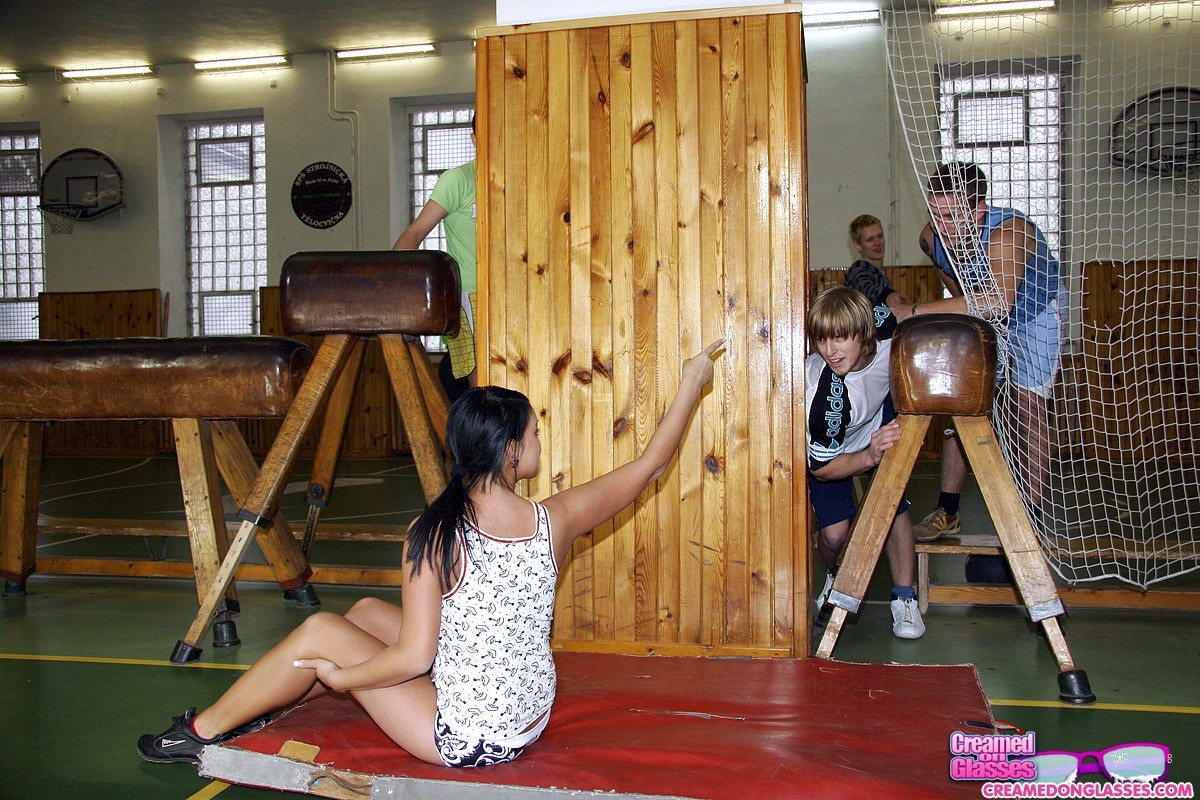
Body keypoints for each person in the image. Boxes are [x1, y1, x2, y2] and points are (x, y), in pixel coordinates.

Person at [137, 339, 724, 769]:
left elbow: (414, 659)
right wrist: (691, 381)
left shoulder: (433, 531)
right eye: (535, 434)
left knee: (319, 630)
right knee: (365, 612)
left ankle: (201, 729)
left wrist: (346, 676)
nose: (540, 443)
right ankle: (271, 701)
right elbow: (649, 467)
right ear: (511, 453)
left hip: (470, 739)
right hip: (529, 714)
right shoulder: (556, 519)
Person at [907, 162, 1063, 547]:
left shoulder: (1009, 233)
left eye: (950, 215)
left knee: (1029, 406)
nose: (941, 224)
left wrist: (913, 312)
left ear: (977, 210)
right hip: (985, 310)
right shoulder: (932, 238)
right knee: (964, 403)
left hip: (1034, 312)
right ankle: (947, 510)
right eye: (935, 213)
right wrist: (957, 303)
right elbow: (951, 275)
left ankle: (1028, 517)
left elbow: (997, 300)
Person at [806, 286, 924, 640]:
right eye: (822, 340)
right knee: (834, 533)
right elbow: (821, 469)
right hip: (836, 450)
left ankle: (905, 598)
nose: (830, 350)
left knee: (893, 503)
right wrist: (870, 455)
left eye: (840, 338)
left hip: (880, 418)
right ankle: (832, 574)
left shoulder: (882, 324)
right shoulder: (825, 395)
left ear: (864, 331)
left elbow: (905, 315)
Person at [394, 116, 479, 389]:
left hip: (515, 293)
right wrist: (391, 285)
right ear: (474, 139)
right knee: (483, 386)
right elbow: (417, 232)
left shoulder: (524, 180)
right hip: (471, 294)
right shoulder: (458, 180)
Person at [845, 213, 909, 316]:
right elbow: (865, 287)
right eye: (870, 240)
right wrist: (887, 295)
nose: (877, 243)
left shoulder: (880, 274)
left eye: (880, 236)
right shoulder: (857, 270)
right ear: (857, 245)